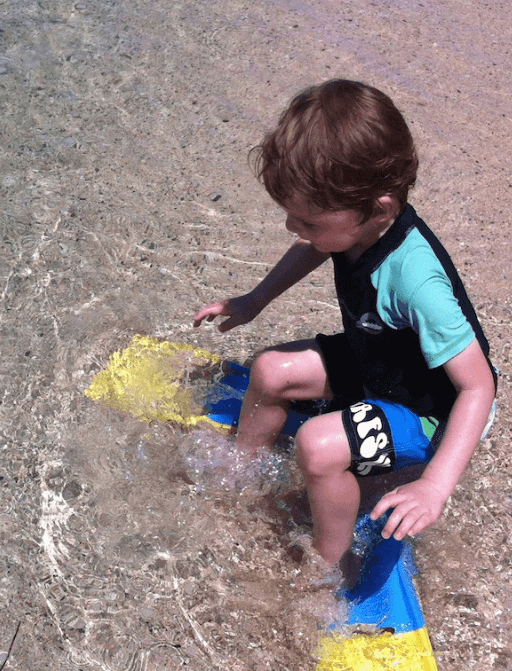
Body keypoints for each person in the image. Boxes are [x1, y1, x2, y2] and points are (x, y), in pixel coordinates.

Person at [193, 79, 496, 572]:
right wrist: (254, 300)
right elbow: (317, 247)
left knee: (318, 445)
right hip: (380, 361)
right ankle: (239, 469)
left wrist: (434, 484)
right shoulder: (351, 225)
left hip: (428, 410)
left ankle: (325, 566)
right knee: (269, 370)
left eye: (308, 222)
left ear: (379, 209)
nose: (295, 230)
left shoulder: (416, 280)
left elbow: (479, 387)